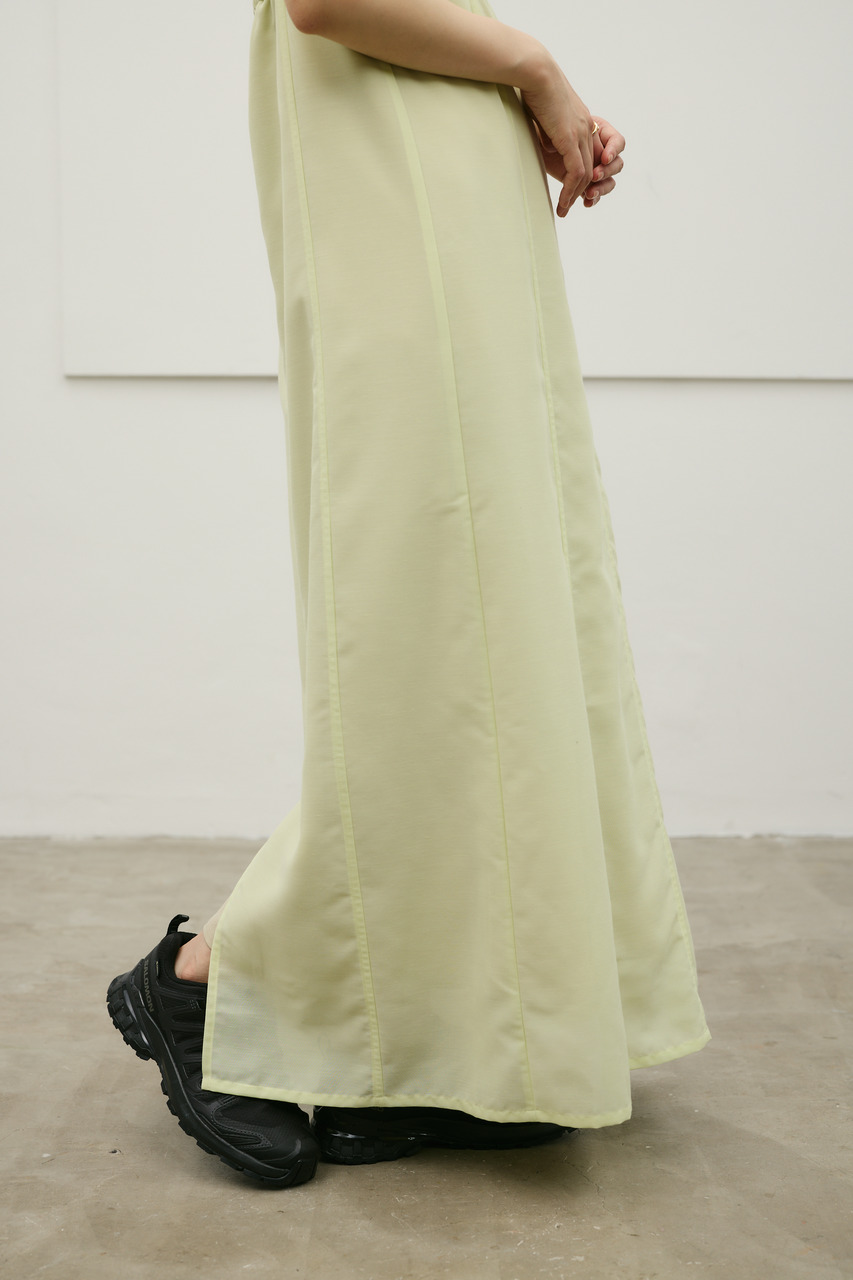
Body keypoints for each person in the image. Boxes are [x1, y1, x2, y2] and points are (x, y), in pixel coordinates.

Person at [107, 0, 710, 1189]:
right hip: (391, 188)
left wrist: (515, 94)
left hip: (448, 182)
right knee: (420, 612)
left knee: (496, 619)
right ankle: (209, 975)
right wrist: (534, 68)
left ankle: (418, 1047)